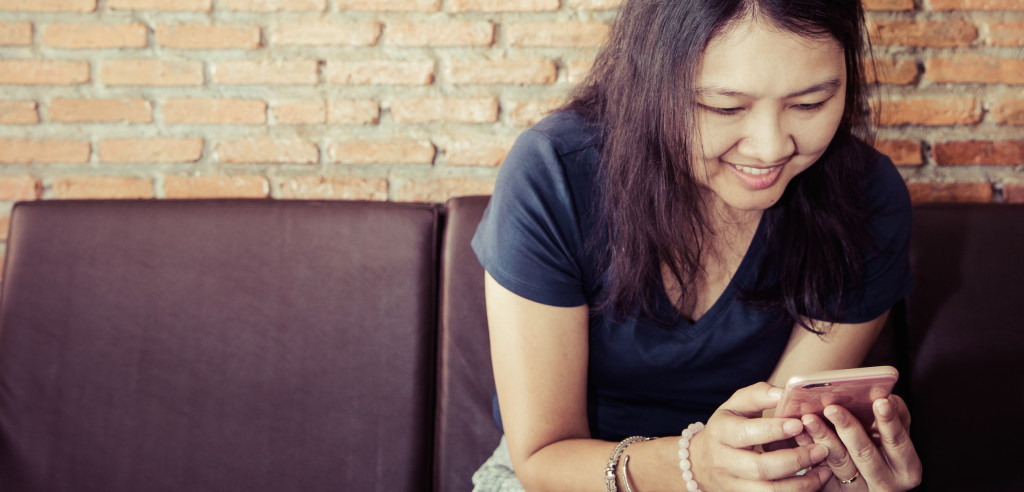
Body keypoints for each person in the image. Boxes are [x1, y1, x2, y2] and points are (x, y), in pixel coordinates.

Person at [470, 0, 924, 490]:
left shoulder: (864, 197)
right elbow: (542, 460)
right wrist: (695, 465)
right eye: (725, 108)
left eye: (810, 104)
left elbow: (775, 438)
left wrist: (834, 472)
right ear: (651, 83)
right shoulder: (554, 174)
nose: (771, 147)